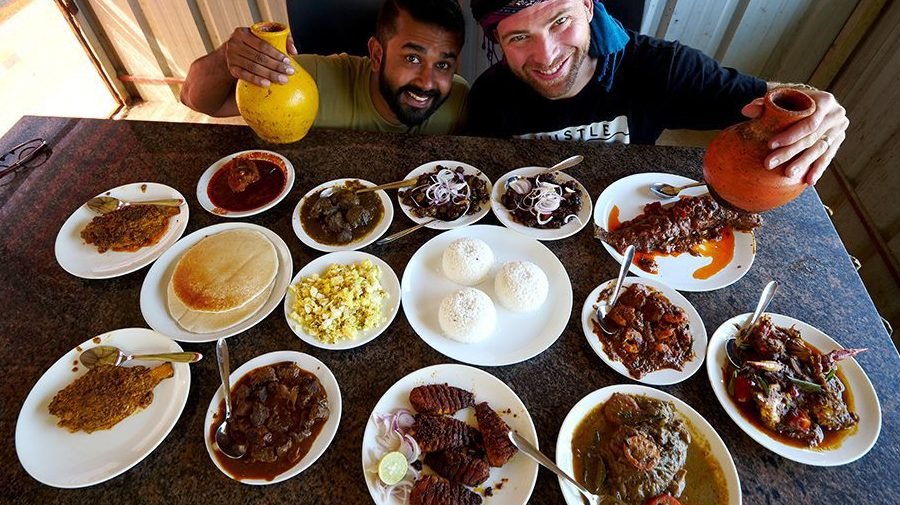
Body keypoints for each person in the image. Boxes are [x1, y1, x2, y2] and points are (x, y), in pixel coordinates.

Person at [466, 0, 849, 184]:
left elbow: (768, 101)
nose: (547, 56)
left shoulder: (661, 68)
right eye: (519, 38)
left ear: (587, 6)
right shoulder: (488, 98)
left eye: (560, 20)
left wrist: (817, 109)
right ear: (497, 40)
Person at [180, 0, 468, 135]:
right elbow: (195, 98)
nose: (427, 82)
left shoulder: (460, 102)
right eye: (412, 58)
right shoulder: (311, 79)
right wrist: (226, 58)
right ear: (377, 54)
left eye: (443, 64)